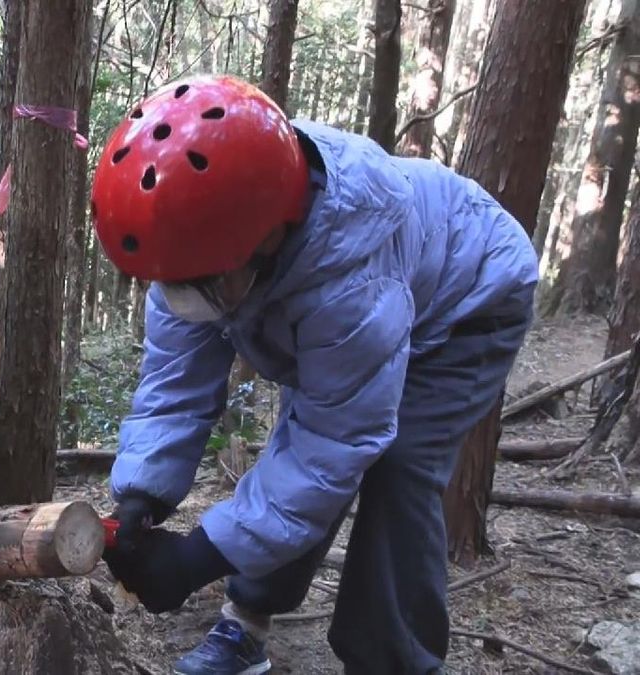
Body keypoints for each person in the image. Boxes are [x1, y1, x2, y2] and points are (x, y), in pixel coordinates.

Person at [90, 74, 537, 674]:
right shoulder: (189, 244)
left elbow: (334, 442)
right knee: (304, 441)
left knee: (397, 466)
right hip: (370, 302)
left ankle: (395, 662)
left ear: (267, 235)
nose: (180, 298)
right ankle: (245, 628)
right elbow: (173, 386)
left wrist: (199, 556)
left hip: (470, 302)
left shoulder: (352, 282)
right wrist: (141, 496)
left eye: (199, 284)